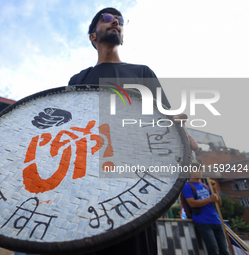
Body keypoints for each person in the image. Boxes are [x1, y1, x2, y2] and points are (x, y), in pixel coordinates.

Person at [68, 7, 198, 255]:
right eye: (106, 19)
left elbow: (169, 124)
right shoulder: (78, 79)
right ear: (92, 36)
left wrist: (181, 131)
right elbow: (71, 129)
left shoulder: (141, 72)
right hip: (86, 190)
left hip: (135, 190)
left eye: (119, 20)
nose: (114, 21)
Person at [182, 170, 229, 255]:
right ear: (190, 172)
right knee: (213, 250)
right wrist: (210, 199)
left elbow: (219, 203)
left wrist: (214, 189)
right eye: (196, 170)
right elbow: (192, 203)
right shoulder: (187, 186)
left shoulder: (206, 186)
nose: (200, 172)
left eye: (200, 170)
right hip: (203, 221)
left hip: (216, 220)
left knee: (224, 250)